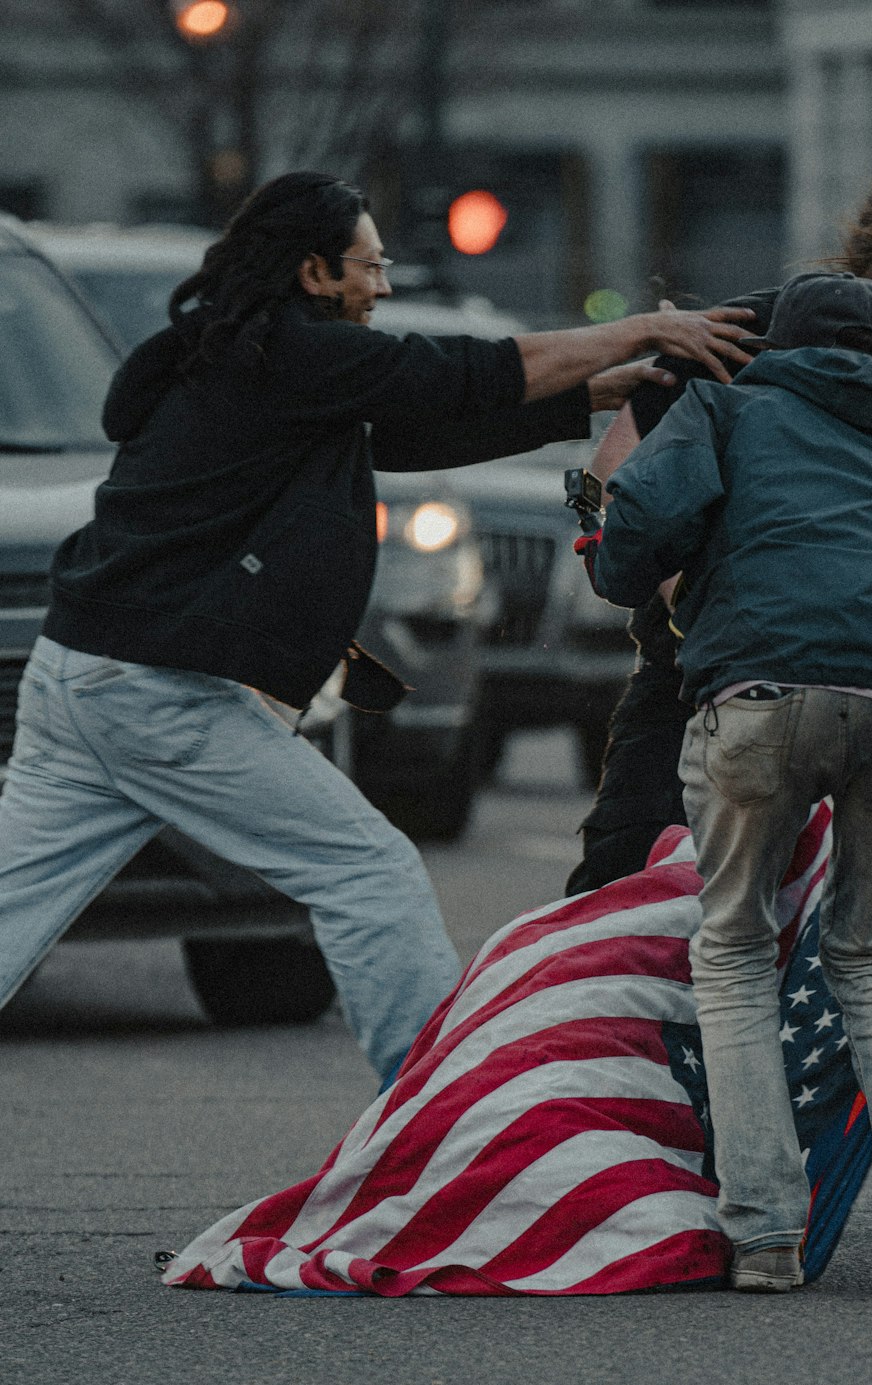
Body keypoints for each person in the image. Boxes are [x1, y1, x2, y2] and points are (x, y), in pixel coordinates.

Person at [0, 170, 760, 1088]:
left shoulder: (241, 362)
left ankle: (434, 1108)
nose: (385, 285)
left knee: (14, 905)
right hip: (159, 690)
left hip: (82, 671)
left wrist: (589, 398)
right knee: (368, 874)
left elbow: (409, 433)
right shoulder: (293, 354)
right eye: (372, 265)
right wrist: (645, 326)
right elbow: (457, 373)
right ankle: (438, 1114)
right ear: (316, 273)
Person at [578, 270, 872, 1293]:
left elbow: (631, 549)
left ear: (780, 345)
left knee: (737, 950)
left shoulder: (725, 410)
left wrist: (611, 547)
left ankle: (762, 1232)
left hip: (763, 697)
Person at [566, 159, 872, 899]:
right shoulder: (746, 333)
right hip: (713, 663)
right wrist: (693, 602)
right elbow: (623, 465)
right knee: (625, 870)